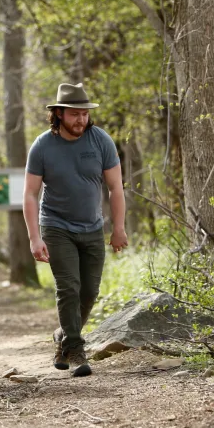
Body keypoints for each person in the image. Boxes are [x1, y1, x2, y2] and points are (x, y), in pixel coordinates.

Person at [23, 82, 127, 377]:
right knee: (68, 288)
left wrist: (118, 228)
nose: (80, 120)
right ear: (58, 113)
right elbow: (30, 193)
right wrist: (34, 237)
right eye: (74, 114)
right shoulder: (42, 145)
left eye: (84, 114)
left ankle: (63, 337)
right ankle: (77, 350)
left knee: (90, 291)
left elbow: (115, 188)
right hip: (56, 226)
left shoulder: (101, 141)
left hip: (93, 227)